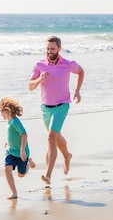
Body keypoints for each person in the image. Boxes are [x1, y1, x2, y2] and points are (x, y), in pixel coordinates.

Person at [28, 36, 84, 186]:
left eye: (52, 49)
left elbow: (81, 72)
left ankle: (48, 174)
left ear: (59, 48)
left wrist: (77, 91)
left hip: (62, 105)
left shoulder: (67, 64)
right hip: (45, 108)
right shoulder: (39, 65)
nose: (49, 51)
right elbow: (30, 86)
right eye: (47, 48)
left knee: (51, 138)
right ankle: (67, 156)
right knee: (56, 138)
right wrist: (40, 79)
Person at [0, 97, 36, 199]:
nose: (0, 115)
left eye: (0, 112)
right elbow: (13, 135)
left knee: (21, 175)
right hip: (10, 151)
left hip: (21, 152)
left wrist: (22, 150)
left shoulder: (15, 122)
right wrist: (8, 142)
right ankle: (14, 192)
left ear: (5, 110)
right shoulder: (9, 122)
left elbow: (24, 134)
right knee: (7, 169)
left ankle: (29, 163)